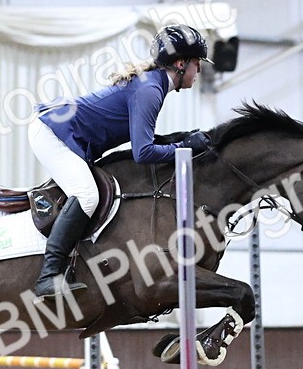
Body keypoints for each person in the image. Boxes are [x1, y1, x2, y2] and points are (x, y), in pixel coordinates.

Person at [28, 24, 213, 300]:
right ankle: (48, 276)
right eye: (197, 64)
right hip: (52, 131)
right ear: (180, 63)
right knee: (87, 196)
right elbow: (143, 153)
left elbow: (147, 141)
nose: (199, 71)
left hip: (63, 131)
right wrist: (184, 147)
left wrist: (181, 140)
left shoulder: (154, 85)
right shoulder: (150, 90)